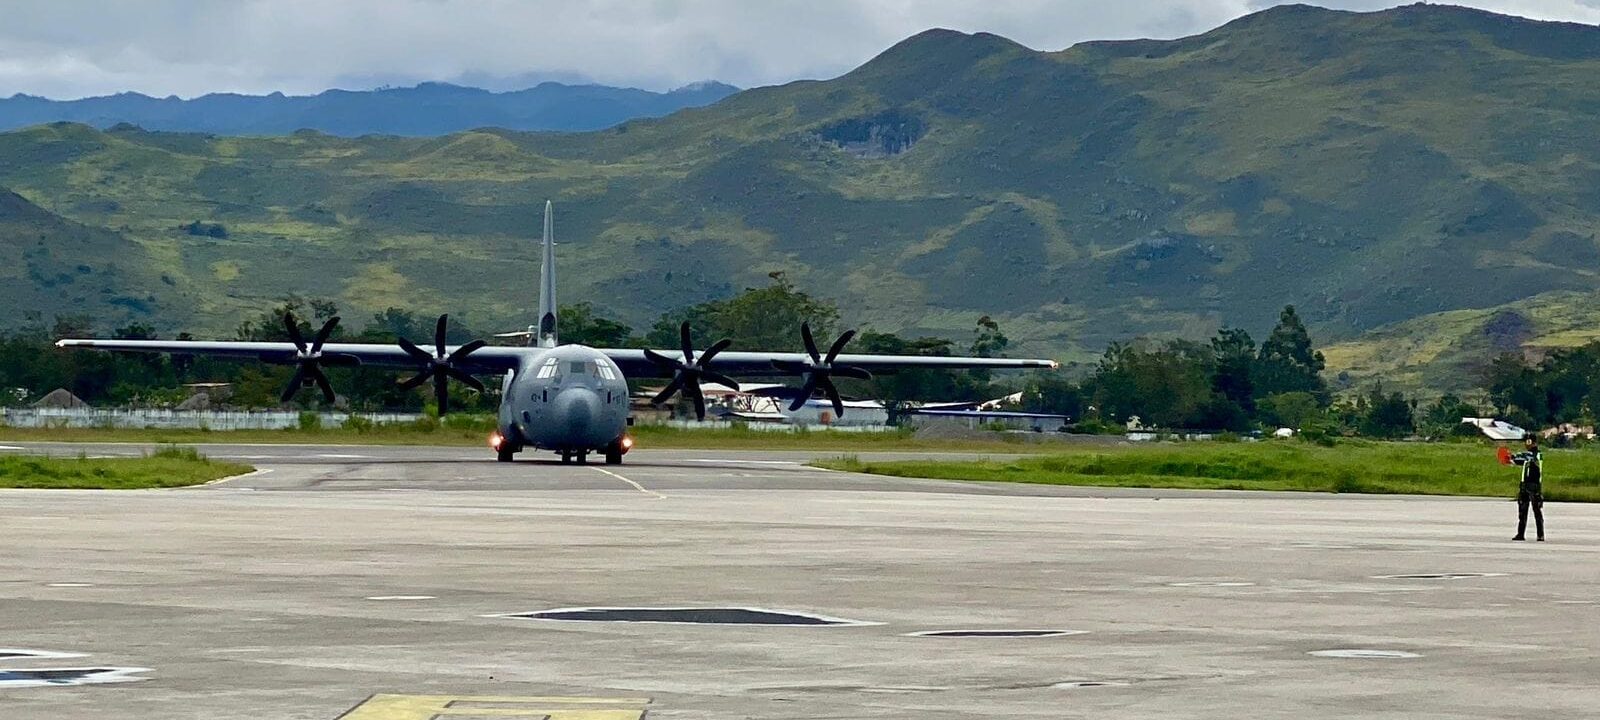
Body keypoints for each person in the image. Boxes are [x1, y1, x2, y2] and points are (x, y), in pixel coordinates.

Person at [1509, 436, 1545, 542]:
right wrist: (1512, 459)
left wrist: (1515, 457)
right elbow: (1521, 461)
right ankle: (1520, 534)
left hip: (1534, 485)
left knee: (1537, 511)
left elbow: (1530, 458)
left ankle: (1540, 534)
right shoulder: (1527, 457)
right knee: (1522, 511)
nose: (1527, 444)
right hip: (1524, 485)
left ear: (1534, 443)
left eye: (1529, 442)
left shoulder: (1538, 455)